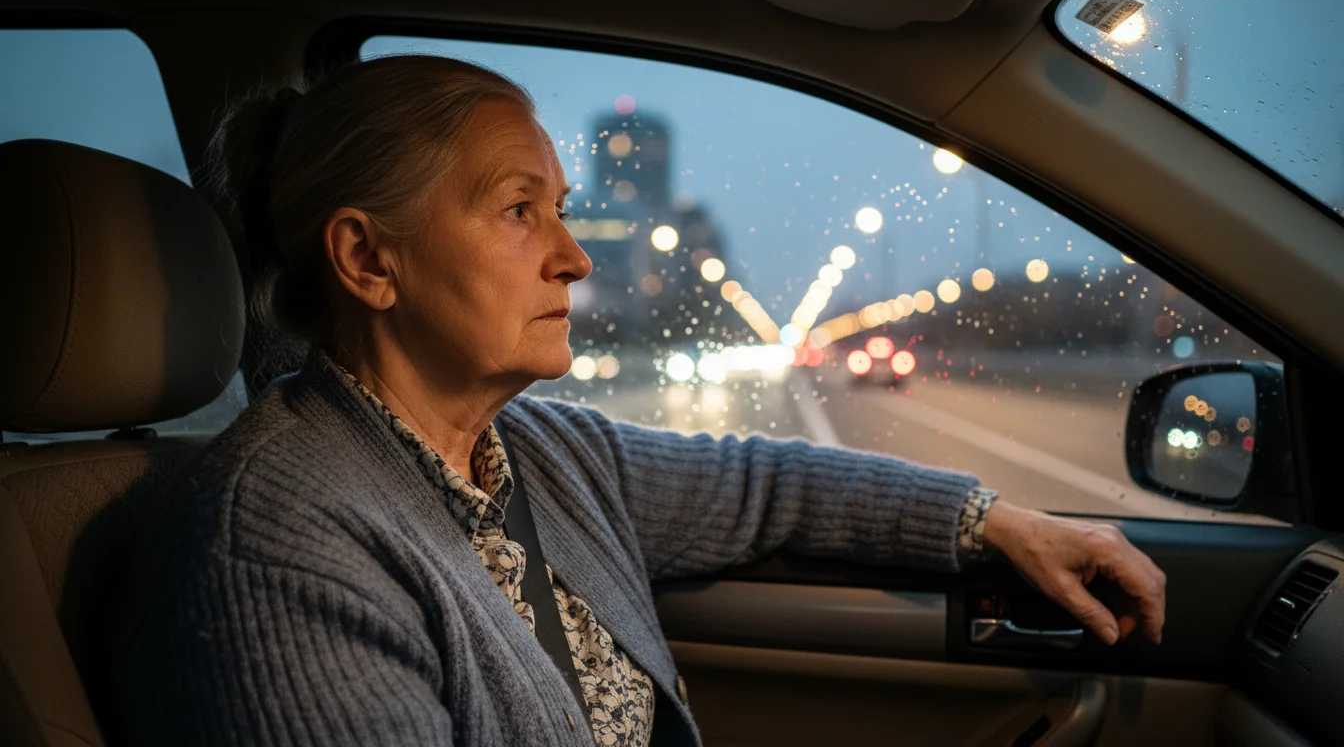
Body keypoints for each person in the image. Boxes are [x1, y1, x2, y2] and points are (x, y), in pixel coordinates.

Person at [117, 54, 1166, 747]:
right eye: (519, 211)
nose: (573, 258)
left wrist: (997, 521)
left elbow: (766, 487)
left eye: (563, 212)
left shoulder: (542, 454)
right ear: (366, 258)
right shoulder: (274, 536)